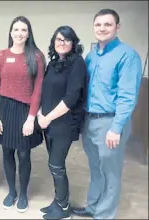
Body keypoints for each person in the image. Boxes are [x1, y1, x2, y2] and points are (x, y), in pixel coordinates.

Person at [71, 9, 142, 219]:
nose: (102, 28)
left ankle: (105, 215)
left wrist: (116, 127)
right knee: (95, 168)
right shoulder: (91, 56)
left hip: (110, 122)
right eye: (98, 25)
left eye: (107, 24)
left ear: (117, 27)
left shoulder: (127, 55)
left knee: (111, 173)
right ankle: (93, 207)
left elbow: (127, 96)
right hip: (90, 121)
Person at [0, 16, 45, 212]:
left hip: (25, 111)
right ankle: (11, 191)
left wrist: (31, 118)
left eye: (23, 30)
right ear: (11, 32)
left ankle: (23, 194)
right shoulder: (1, 56)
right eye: (16, 29)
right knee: (7, 151)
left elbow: (38, 90)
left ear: (28, 33)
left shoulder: (36, 57)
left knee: (23, 154)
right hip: (4, 109)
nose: (19, 33)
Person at [37, 26, 87, 220]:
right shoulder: (54, 63)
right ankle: (58, 200)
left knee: (56, 164)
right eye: (58, 39)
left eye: (66, 40)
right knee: (53, 164)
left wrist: (47, 118)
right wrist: (41, 114)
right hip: (48, 123)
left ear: (73, 43)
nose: (62, 43)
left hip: (65, 123)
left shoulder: (77, 64)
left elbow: (71, 98)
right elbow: (45, 92)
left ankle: (64, 207)